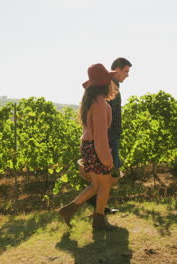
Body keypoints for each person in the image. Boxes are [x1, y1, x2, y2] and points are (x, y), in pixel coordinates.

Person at [58, 63, 118, 231]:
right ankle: (99, 221)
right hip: (96, 147)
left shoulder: (91, 101)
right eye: (109, 79)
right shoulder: (99, 103)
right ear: (104, 83)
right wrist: (107, 159)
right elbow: (100, 135)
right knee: (105, 186)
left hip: (88, 146)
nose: (112, 83)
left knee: (96, 185)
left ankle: (68, 210)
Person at [84, 57, 132, 213]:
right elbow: (102, 119)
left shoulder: (113, 86)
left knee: (108, 177)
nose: (127, 75)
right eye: (126, 71)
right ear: (116, 69)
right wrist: (109, 142)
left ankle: (99, 205)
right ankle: (97, 205)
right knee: (110, 175)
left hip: (112, 137)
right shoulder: (109, 88)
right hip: (108, 138)